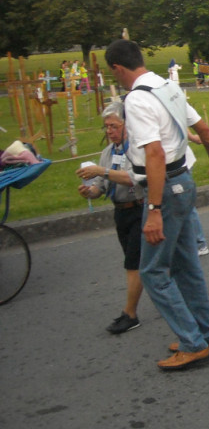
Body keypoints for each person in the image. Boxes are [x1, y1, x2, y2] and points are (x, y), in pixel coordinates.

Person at [105, 38, 209, 371]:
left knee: (153, 271)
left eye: (113, 73)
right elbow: (201, 126)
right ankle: (205, 333)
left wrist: (154, 211)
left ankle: (193, 342)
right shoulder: (166, 85)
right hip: (182, 182)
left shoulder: (138, 99)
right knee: (186, 266)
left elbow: (154, 153)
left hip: (166, 189)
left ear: (118, 68)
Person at [76, 102, 145, 334]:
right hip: (120, 213)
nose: (109, 131)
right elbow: (100, 187)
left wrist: (101, 171)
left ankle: (130, 314)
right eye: (106, 126)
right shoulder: (107, 153)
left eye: (113, 126)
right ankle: (169, 294)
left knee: (133, 264)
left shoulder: (136, 148)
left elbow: (133, 178)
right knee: (140, 263)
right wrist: (90, 192)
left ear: (126, 126)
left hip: (140, 210)